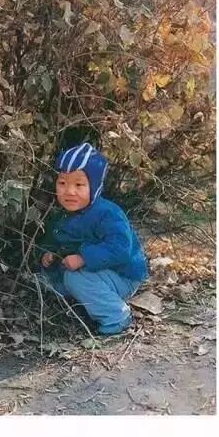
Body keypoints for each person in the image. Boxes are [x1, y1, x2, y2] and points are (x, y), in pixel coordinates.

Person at [37, 143, 148, 335]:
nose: (69, 191)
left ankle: (116, 315)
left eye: (79, 185)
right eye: (62, 183)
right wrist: (47, 254)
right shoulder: (61, 214)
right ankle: (89, 305)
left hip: (122, 275)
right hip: (93, 274)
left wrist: (83, 258)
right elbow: (53, 240)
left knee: (73, 279)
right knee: (48, 279)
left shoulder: (107, 213)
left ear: (94, 186)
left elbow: (120, 248)